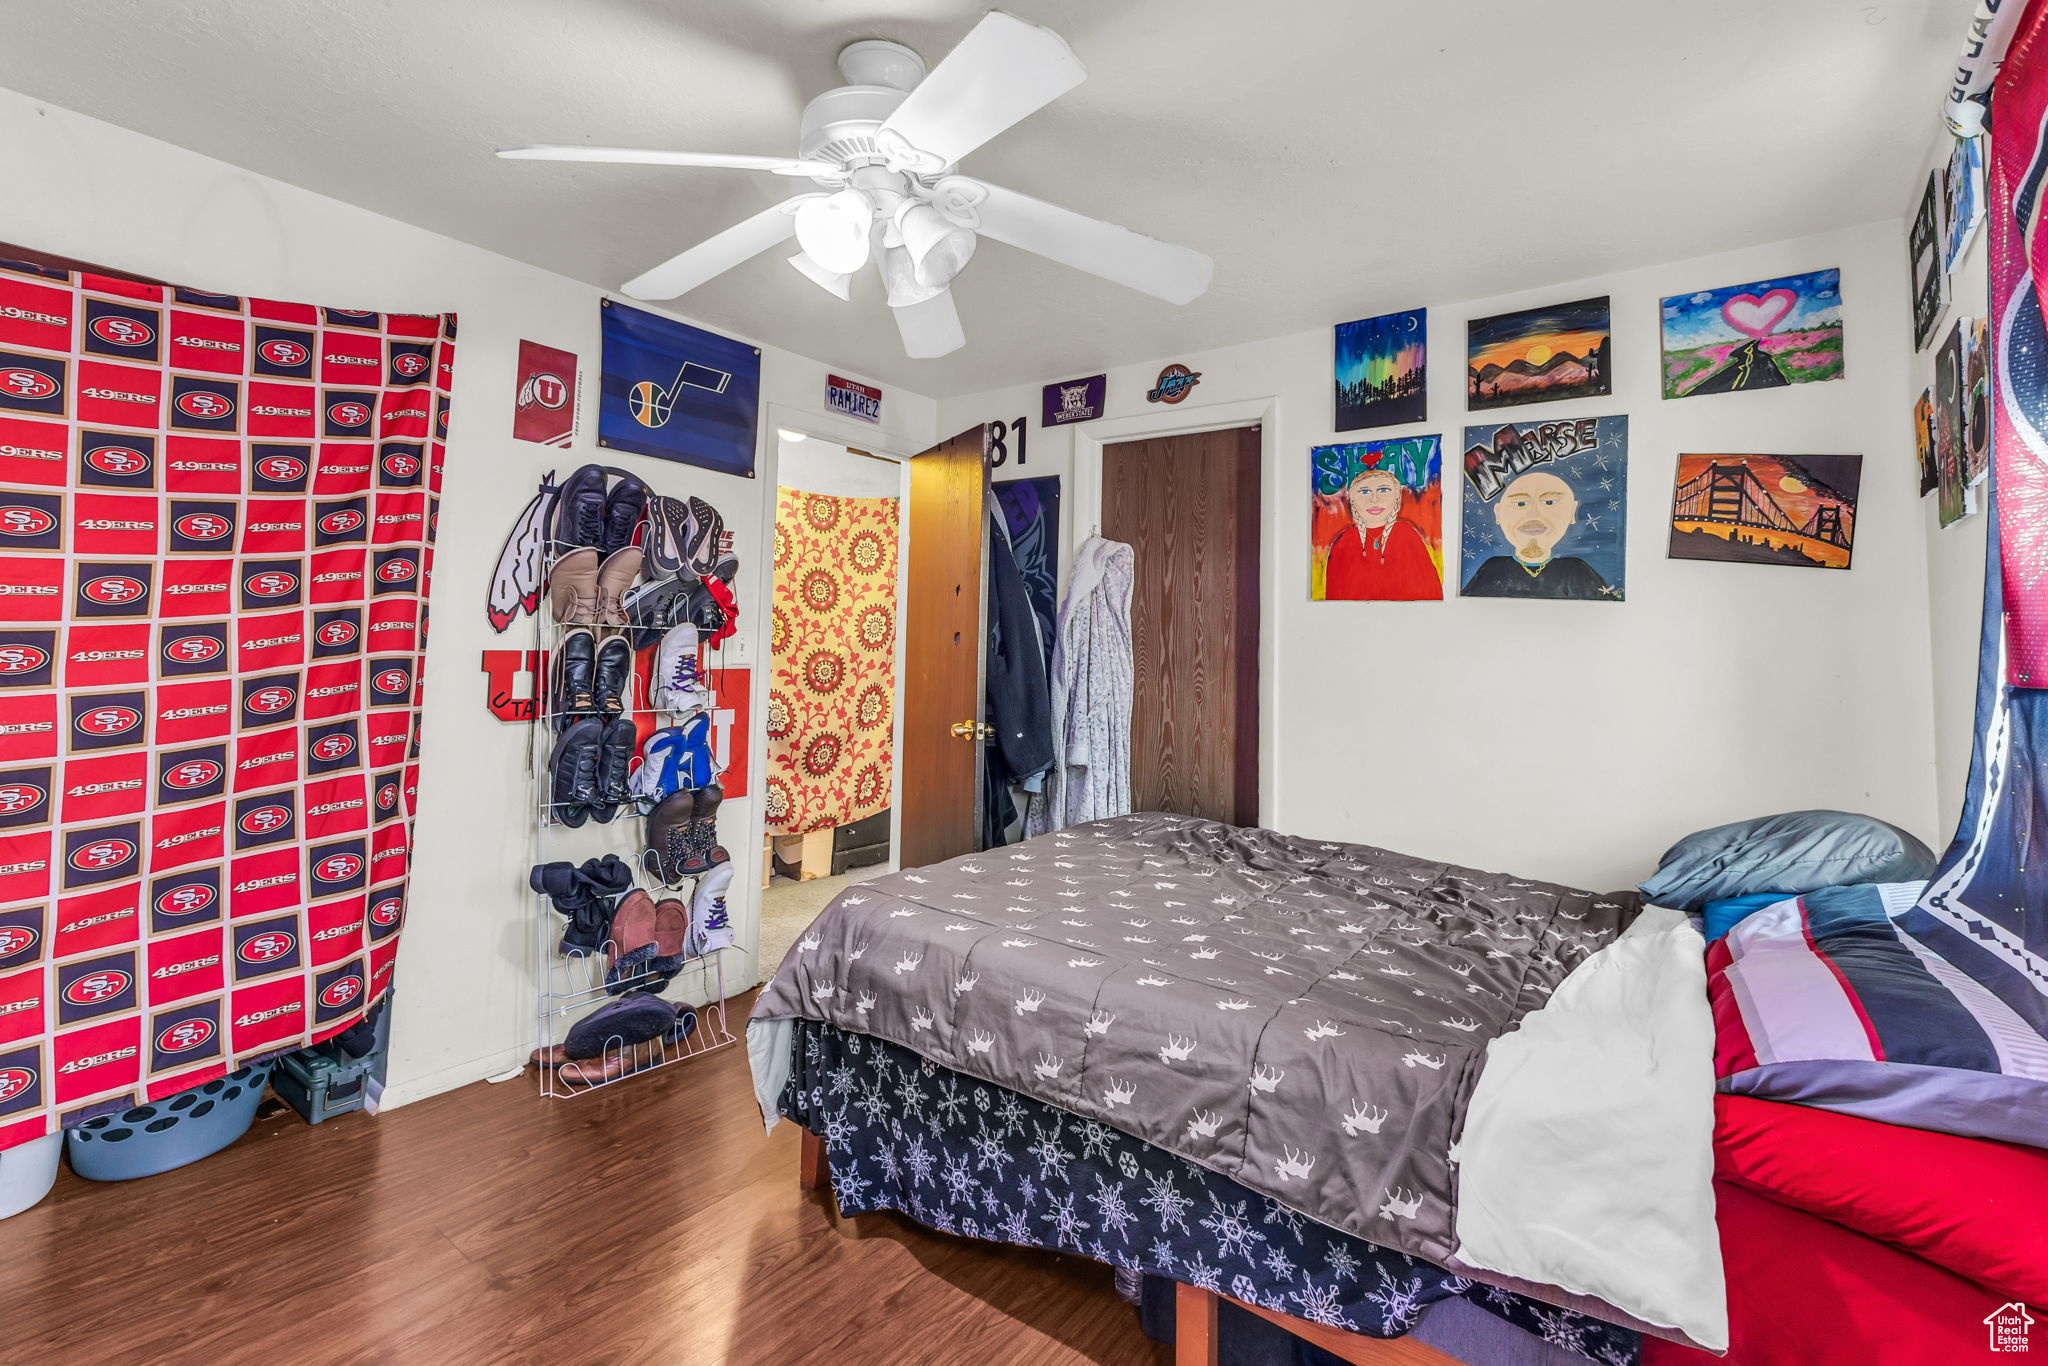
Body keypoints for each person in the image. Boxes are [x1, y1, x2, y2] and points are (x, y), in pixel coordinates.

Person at [1463, 470, 1615, 600]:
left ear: (1571, 512)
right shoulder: (1492, 570)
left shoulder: (1578, 571)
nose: (1533, 514)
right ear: (1498, 513)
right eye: (1520, 504)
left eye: (1549, 502)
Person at [1321, 467, 1440, 600]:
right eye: (1365, 491)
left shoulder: (1406, 535)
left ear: (1396, 498)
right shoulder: (1344, 542)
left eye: (1383, 490)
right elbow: (1334, 599)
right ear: (1352, 500)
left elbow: (1431, 593)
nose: (1374, 500)